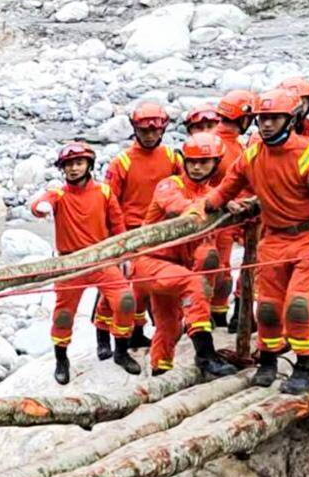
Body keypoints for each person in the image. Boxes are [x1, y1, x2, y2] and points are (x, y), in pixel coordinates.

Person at [188, 88, 309, 394]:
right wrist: (202, 205)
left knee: (298, 305)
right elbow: (226, 188)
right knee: (269, 309)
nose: (267, 125)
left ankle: (304, 366)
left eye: (274, 118)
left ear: (290, 119)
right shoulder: (253, 155)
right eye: (262, 119)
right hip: (273, 239)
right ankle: (268, 361)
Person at [31, 142, 140, 384]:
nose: (73, 168)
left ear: (88, 165)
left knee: (125, 300)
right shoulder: (59, 195)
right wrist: (41, 208)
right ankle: (62, 359)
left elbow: (118, 226)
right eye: (69, 164)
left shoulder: (104, 192)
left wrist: (124, 255)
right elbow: (39, 205)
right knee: (63, 316)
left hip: (102, 260)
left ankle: (120, 351)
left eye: (79, 163)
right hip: (71, 264)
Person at [134, 134, 237, 378]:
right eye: (192, 161)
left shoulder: (213, 194)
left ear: (215, 163)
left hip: (177, 266)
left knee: (169, 326)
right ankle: (205, 355)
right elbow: (176, 205)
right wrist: (208, 205)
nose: (197, 167)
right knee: (194, 284)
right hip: (151, 262)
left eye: (203, 162)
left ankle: (161, 374)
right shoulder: (170, 185)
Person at [102, 101, 182, 347]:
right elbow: (109, 201)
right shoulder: (122, 162)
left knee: (151, 285)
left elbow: (184, 187)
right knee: (117, 287)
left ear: (162, 130)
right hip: (131, 233)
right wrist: (113, 237)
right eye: (144, 131)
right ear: (135, 130)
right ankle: (105, 338)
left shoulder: (171, 157)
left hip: (162, 232)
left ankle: (148, 330)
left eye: (154, 131)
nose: (149, 136)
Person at [209, 90, 258, 326]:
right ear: (244, 118)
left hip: (229, 220)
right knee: (217, 272)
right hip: (217, 221)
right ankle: (212, 320)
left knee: (222, 273)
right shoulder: (224, 146)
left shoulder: (229, 145)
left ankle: (222, 318)